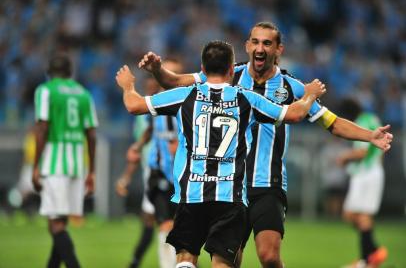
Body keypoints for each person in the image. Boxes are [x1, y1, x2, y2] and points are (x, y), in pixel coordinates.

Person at [137, 22, 393, 268]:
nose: (260, 48)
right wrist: (157, 70)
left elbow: (332, 122)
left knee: (269, 256)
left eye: (267, 43)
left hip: (267, 184)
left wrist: (370, 136)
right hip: (229, 187)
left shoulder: (291, 86)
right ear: (247, 45)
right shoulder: (229, 73)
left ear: (278, 49)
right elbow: (176, 82)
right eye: (256, 42)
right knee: (228, 259)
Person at [116, 40, 326, 268]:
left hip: (193, 194)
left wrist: (128, 86)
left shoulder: (186, 96)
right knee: (223, 263)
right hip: (230, 197)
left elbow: (134, 105)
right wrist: (309, 95)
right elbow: (293, 114)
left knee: (185, 259)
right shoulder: (246, 98)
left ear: (203, 69)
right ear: (231, 69)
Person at [33, 53, 98, 268]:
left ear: (49, 72)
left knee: (55, 225)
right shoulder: (84, 94)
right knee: (61, 221)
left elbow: (42, 127)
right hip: (77, 163)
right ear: (70, 72)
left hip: (54, 163)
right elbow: (91, 133)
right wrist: (92, 171)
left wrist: (35, 166)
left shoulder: (45, 90)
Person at [117, 59, 183, 268]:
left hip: (183, 176)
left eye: (175, 74)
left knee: (183, 229)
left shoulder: (190, 102)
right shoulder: (157, 102)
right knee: (163, 224)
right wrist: (137, 146)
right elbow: (148, 127)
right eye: (167, 73)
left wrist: (182, 145)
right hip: (159, 174)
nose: (169, 78)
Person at [336, 99, 388, 268]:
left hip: (366, 173)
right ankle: (373, 252)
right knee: (350, 214)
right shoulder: (371, 118)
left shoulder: (362, 122)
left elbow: (362, 151)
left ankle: (367, 260)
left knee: (362, 215)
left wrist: (344, 157)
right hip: (369, 172)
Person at [116, 113, 156, 268]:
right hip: (151, 172)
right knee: (150, 219)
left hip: (173, 172)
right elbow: (137, 151)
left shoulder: (174, 104)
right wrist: (126, 177)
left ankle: (135, 262)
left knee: (168, 222)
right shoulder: (141, 117)